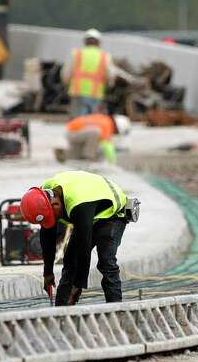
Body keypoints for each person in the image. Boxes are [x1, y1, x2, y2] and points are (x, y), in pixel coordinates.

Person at [19, 171, 139, 305]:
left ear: (55, 204)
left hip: (112, 214)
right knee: (70, 260)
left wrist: (78, 285)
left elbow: (84, 247)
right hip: (89, 212)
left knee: (106, 261)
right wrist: (48, 272)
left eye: (54, 216)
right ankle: (62, 310)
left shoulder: (78, 205)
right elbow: (47, 235)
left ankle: (116, 309)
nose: (55, 220)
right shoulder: (43, 196)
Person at [61, 29, 110, 117]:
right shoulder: (104, 56)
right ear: (99, 42)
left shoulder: (77, 54)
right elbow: (110, 76)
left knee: (77, 121)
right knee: (93, 122)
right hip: (96, 95)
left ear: (85, 41)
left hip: (78, 93)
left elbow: (66, 73)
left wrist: (66, 84)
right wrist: (108, 85)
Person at [54, 114, 132, 164]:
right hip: (73, 133)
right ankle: (89, 157)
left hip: (75, 133)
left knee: (77, 156)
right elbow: (107, 145)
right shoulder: (107, 124)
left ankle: (63, 154)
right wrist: (113, 161)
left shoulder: (105, 119)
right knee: (95, 132)